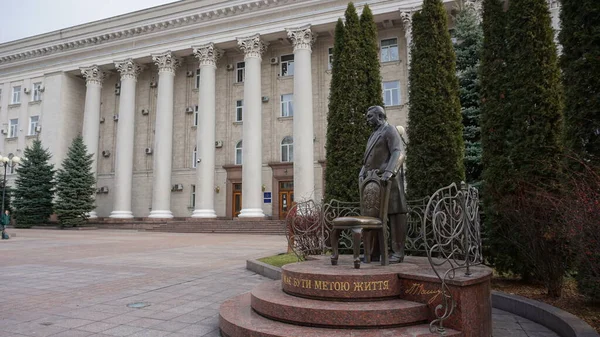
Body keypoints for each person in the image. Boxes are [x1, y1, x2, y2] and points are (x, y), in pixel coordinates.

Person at [359, 105, 408, 263]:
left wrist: (389, 172)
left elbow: (398, 152)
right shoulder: (373, 134)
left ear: (379, 116)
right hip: (374, 183)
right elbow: (368, 159)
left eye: (370, 116)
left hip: (390, 182)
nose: (367, 119)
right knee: (375, 217)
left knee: (395, 216)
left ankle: (397, 252)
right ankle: (374, 253)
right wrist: (362, 172)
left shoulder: (390, 130)